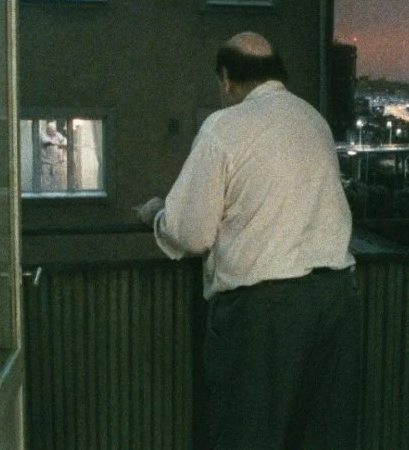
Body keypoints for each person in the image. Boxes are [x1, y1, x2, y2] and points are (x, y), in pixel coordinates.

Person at [136, 32, 361, 449]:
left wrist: (157, 215)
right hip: (335, 301)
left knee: (246, 435)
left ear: (226, 79)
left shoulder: (224, 127)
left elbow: (191, 233)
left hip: (263, 313)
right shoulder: (313, 120)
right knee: (319, 437)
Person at [40, 120, 67, 191]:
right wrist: (58, 144)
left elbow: (64, 142)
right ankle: (46, 195)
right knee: (46, 182)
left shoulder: (57, 134)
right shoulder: (43, 134)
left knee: (56, 181)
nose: (54, 132)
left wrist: (62, 155)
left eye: (55, 130)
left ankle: (55, 194)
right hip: (46, 163)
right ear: (48, 130)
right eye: (52, 131)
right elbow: (47, 142)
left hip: (56, 163)